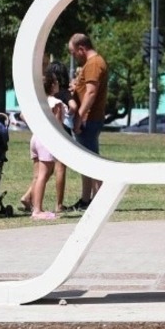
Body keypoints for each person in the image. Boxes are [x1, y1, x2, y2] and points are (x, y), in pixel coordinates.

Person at [67, 33, 108, 212]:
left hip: (89, 120)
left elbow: (91, 93)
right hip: (89, 119)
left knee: (92, 161)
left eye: (73, 52)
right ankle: (86, 199)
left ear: (81, 49)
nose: (73, 56)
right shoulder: (91, 64)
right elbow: (86, 89)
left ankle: (101, 200)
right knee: (87, 161)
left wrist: (80, 117)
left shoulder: (93, 64)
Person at [23, 72, 65, 220]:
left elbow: (22, 115)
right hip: (47, 140)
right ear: (52, 85)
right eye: (57, 82)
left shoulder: (37, 101)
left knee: (37, 175)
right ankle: (38, 211)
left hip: (35, 138)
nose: (58, 84)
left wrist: (35, 127)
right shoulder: (56, 103)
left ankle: (34, 206)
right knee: (44, 175)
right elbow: (58, 124)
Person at [45, 60, 78, 213]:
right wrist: (70, 115)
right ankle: (59, 204)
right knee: (60, 168)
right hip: (62, 129)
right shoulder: (64, 92)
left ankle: (28, 196)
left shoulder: (45, 93)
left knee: (45, 168)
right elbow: (73, 106)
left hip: (47, 130)